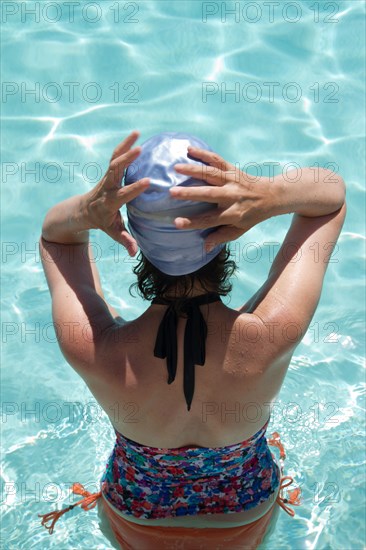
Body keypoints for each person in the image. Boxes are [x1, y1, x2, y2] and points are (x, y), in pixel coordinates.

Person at [38, 131, 346, 549]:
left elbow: (56, 240)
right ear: (229, 221)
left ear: (135, 236)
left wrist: (87, 210)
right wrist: (269, 193)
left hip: (135, 519)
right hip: (245, 515)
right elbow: (330, 198)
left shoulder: (95, 349)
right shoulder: (273, 334)